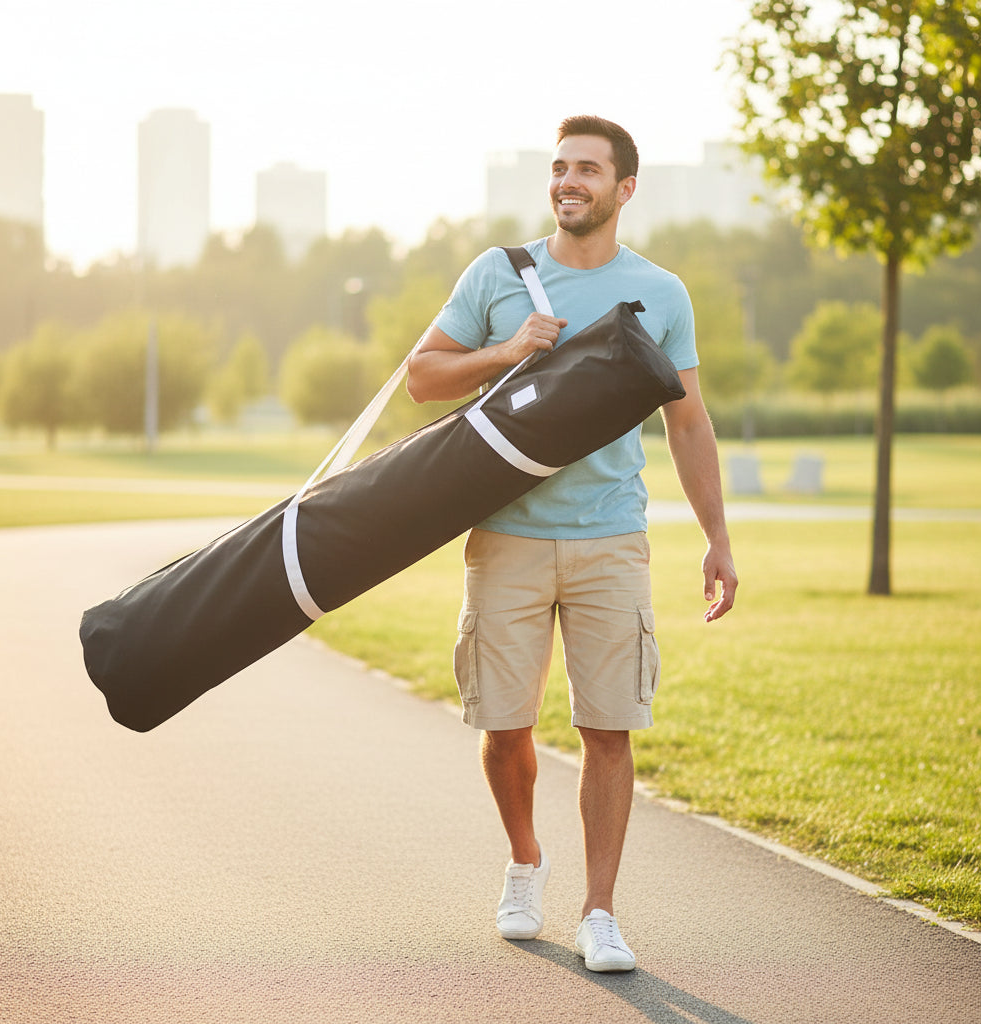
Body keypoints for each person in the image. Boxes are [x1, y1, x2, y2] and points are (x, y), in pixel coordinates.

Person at [405, 115, 737, 972]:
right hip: (507, 535)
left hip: (611, 537)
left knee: (610, 728)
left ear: (625, 189)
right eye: (559, 168)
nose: (568, 181)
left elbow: (688, 422)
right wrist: (504, 351)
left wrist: (716, 537)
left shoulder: (660, 292)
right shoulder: (498, 274)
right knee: (505, 724)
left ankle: (600, 911)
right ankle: (525, 861)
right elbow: (420, 377)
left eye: (588, 169)